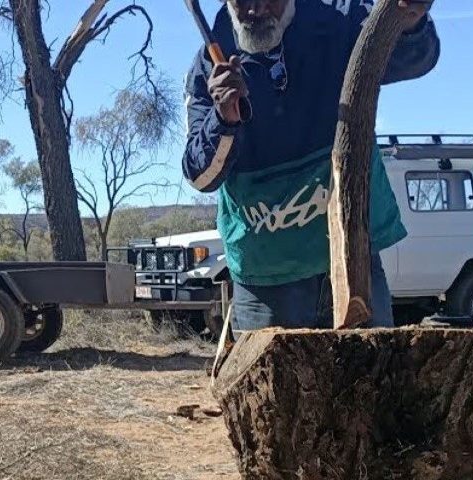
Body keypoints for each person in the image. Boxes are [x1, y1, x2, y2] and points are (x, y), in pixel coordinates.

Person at [182, 0, 438, 330]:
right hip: (266, 278)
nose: (256, 9)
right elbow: (201, 176)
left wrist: (409, 19)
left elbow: (414, 58)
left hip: (352, 261)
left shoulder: (340, 18)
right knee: (266, 382)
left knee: (372, 378)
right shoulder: (208, 66)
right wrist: (223, 119)